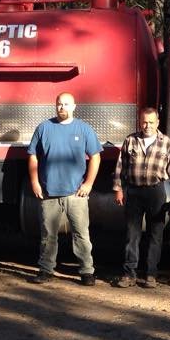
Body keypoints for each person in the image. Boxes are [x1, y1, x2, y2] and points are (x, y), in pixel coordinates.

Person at [27, 92, 102, 285]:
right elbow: (33, 156)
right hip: (49, 192)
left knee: (81, 235)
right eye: (59, 104)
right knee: (48, 235)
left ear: (74, 106)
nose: (62, 107)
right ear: (55, 106)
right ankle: (46, 270)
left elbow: (95, 156)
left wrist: (88, 183)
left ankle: (87, 272)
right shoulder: (44, 128)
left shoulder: (84, 129)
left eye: (66, 104)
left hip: (76, 194)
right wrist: (35, 182)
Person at [112, 106, 170, 288]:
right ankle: (129, 274)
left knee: (155, 234)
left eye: (151, 122)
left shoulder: (167, 143)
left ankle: (151, 274)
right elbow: (120, 167)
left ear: (158, 122)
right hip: (134, 192)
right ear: (140, 122)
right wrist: (118, 189)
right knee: (132, 234)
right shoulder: (130, 140)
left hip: (156, 192)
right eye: (144, 122)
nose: (147, 126)